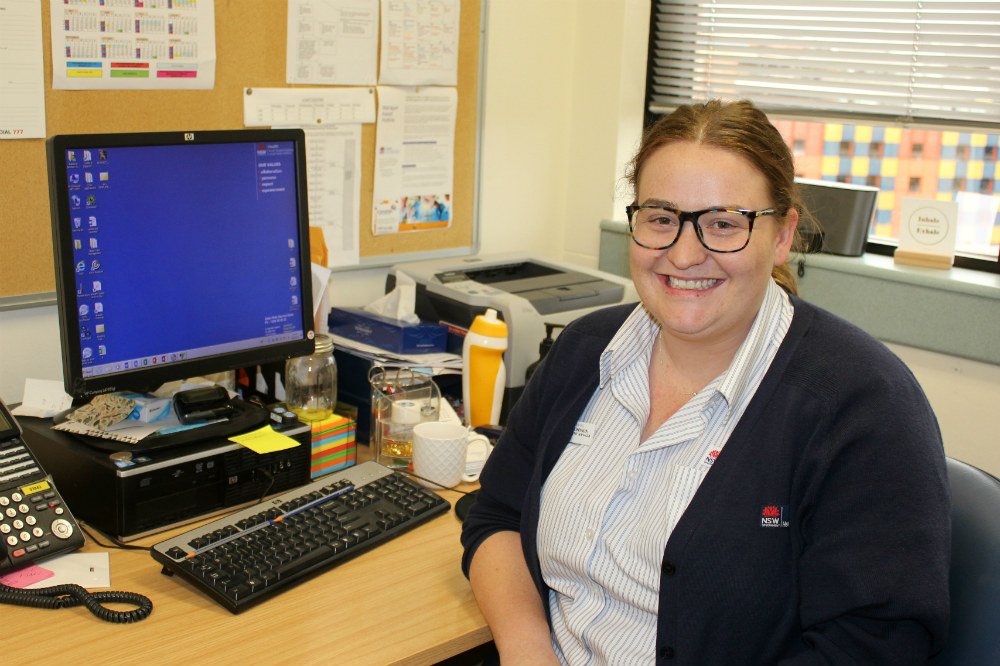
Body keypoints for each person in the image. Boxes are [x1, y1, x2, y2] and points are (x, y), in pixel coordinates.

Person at [460, 99, 950, 665]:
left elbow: (876, 645)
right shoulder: (586, 352)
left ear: (784, 234)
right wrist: (528, 651)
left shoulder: (862, 405)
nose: (685, 254)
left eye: (724, 224)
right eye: (661, 219)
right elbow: (498, 515)